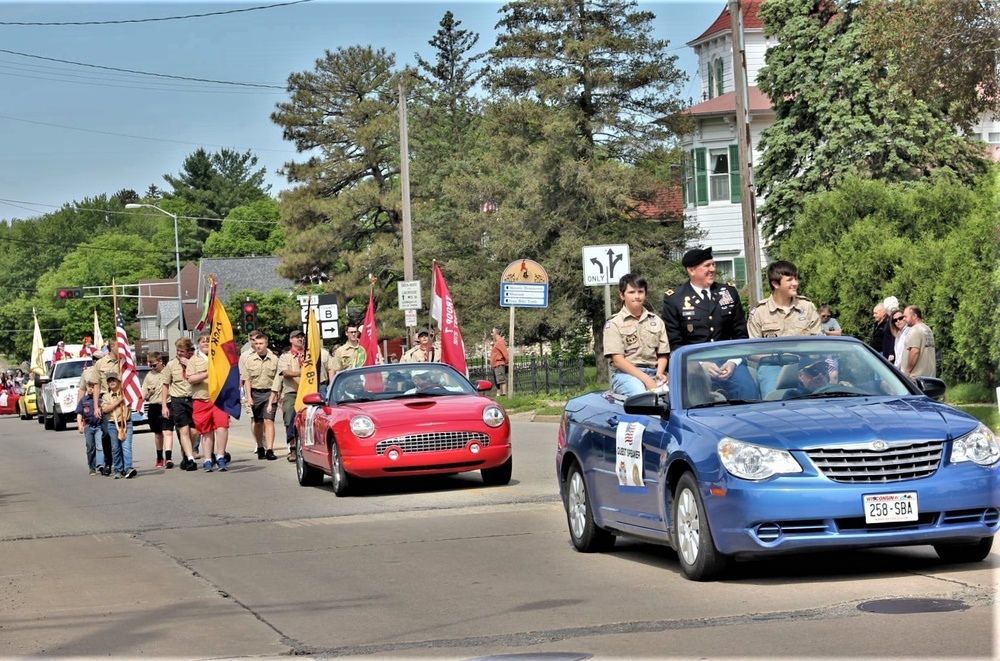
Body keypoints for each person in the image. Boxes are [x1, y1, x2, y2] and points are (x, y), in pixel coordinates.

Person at [662, 247, 757, 399]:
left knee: (749, 389)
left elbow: (740, 335)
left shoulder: (728, 293)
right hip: (693, 365)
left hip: (728, 360)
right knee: (695, 400)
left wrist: (733, 362)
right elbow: (674, 343)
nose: (712, 269)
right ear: (691, 270)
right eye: (707, 266)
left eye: (713, 264)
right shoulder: (675, 299)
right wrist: (700, 363)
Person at [748, 260, 822, 394]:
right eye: (789, 280)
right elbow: (752, 352)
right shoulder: (760, 311)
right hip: (772, 366)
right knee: (775, 401)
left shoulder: (807, 307)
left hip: (805, 365)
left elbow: (818, 342)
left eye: (796, 278)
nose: (795, 283)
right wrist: (779, 356)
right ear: (775, 284)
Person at [604, 273, 669, 396]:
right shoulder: (614, 323)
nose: (637, 296)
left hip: (655, 372)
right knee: (643, 397)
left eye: (640, 292)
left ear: (645, 294)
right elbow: (618, 360)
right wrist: (647, 380)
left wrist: (659, 374)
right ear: (622, 295)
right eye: (632, 292)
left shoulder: (656, 321)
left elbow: (662, 354)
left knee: (680, 396)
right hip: (626, 375)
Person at [187, 332, 230, 472]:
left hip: (219, 398)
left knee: (222, 426)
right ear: (198, 344)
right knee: (206, 431)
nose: (206, 343)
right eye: (203, 341)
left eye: (208, 341)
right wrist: (206, 374)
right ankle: (207, 459)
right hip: (202, 398)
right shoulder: (194, 360)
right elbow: (190, 379)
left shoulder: (220, 358)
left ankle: (221, 456)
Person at [239, 330, 279, 460]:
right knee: (258, 422)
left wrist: (277, 394)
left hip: (270, 392)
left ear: (266, 344)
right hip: (255, 393)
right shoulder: (249, 360)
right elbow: (247, 380)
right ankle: (260, 446)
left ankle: (270, 449)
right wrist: (249, 397)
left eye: (261, 343)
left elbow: (278, 379)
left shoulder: (274, 359)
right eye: (256, 343)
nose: (258, 346)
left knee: (269, 420)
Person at [160, 337, 199, 471]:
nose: (179, 354)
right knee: (183, 429)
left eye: (182, 351)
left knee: (194, 432)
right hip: (178, 400)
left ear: (189, 352)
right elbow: (165, 385)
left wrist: (189, 364)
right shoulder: (171, 365)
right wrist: (164, 405)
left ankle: (185, 451)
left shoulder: (196, 362)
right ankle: (190, 458)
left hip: (194, 399)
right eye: (177, 351)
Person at [271, 329, 306, 462]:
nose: (299, 339)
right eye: (296, 337)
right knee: (290, 419)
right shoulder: (285, 357)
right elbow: (285, 373)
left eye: (301, 337)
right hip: (291, 392)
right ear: (291, 340)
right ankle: (292, 449)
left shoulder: (309, 355)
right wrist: (301, 373)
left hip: (307, 391)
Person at [101, 374, 137, 479]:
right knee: (115, 448)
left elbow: (134, 400)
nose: (112, 382)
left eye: (114, 380)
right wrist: (118, 401)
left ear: (119, 382)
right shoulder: (106, 396)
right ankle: (118, 469)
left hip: (127, 423)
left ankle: (128, 468)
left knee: (126, 447)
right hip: (113, 425)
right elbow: (105, 410)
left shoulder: (126, 393)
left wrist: (124, 398)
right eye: (109, 381)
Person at [142, 351, 174, 468]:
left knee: (168, 431)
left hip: (168, 404)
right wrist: (148, 394)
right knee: (158, 434)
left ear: (161, 362)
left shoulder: (168, 372)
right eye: (151, 365)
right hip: (154, 406)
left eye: (154, 365)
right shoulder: (149, 376)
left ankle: (169, 458)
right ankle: (159, 457)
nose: (152, 367)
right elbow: (143, 393)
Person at [902, 305, 936, 378]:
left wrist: (907, 370)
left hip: (916, 378)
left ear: (914, 316)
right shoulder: (927, 329)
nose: (904, 319)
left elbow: (915, 351)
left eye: (905, 316)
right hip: (929, 377)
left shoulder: (915, 330)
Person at [75, 388, 103, 475]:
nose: (91, 389)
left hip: (99, 426)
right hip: (88, 426)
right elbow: (79, 413)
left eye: (93, 387)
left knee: (100, 446)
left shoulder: (100, 399)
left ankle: (100, 464)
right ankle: (92, 467)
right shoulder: (83, 400)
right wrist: (80, 425)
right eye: (89, 386)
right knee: (90, 447)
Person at [489, 327, 510, 396]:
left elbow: (505, 352)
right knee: (499, 380)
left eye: (492, 332)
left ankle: (503, 394)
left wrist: (508, 361)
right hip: (495, 364)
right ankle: (501, 394)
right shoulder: (496, 342)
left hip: (499, 363)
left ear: (495, 333)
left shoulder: (500, 341)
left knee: (501, 380)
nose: (492, 334)